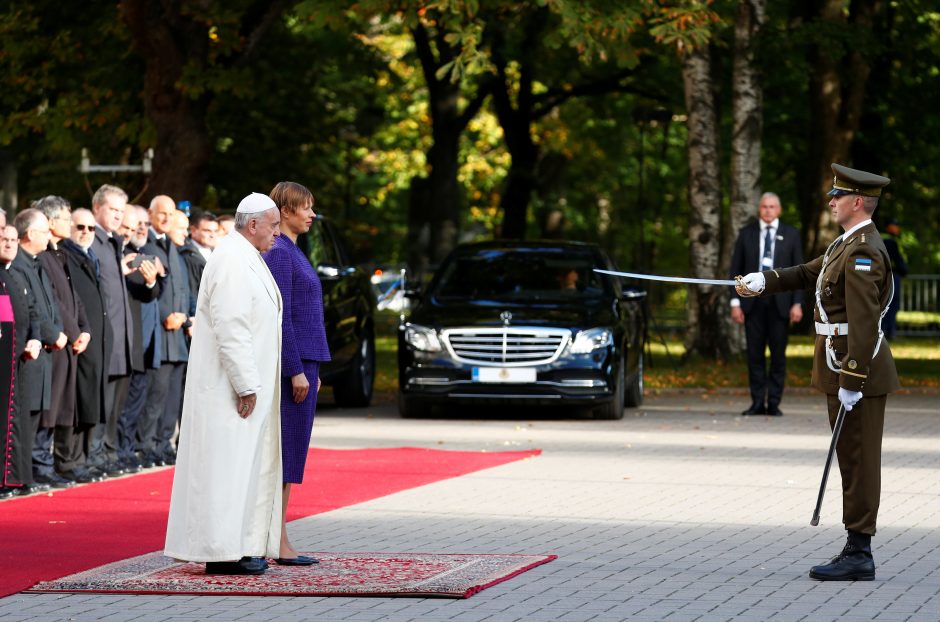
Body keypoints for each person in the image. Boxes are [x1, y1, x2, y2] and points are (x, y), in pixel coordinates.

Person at [736, 163, 899, 581]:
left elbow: (863, 322)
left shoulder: (863, 251)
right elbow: (808, 273)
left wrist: (852, 379)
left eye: (837, 196)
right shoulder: (846, 244)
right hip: (840, 363)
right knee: (850, 456)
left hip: (853, 369)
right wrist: (763, 281)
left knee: (860, 461)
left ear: (857, 202)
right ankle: (854, 544)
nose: (830, 201)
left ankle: (860, 551)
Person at [164, 192, 284, 576]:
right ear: (253, 225)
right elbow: (232, 328)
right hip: (229, 388)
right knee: (225, 470)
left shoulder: (245, 255)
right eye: (274, 226)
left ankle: (239, 545)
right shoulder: (232, 259)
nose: (277, 234)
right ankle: (221, 551)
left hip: (244, 385)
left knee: (240, 469)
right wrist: (246, 384)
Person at [262, 182, 331, 565]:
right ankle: (278, 541)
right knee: (285, 456)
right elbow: (282, 316)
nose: (311, 214)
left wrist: (311, 368)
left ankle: (278, 536)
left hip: (306, 362)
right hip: (295, 365)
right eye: (304, 207)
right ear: (284, 211)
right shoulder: (280, 253)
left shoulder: (293, 250)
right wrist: (295, 370)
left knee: (292, 457)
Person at [33, 196, 97, 484]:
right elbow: (54, 302)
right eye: (64, 219)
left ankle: (61, 460)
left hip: (72, 340)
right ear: (48, 221)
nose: (69, 224)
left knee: (64, 405)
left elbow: (75, 299)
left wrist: (84, 329)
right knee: (51, 405)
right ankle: (42, 463)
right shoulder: (43, 257)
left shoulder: (61, 254)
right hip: (58, 341)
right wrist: (73, 333)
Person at [10, 209, 74, 489]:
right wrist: (52, 333)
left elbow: (52, 303)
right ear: (32, 234)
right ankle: (29, 470)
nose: (50, 234)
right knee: (28, 414)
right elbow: (32, 309)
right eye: (45, 230)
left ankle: (35, 468)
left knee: (41, 412)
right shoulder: (20, 266)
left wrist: (59, 330)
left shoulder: (37, 263)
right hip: (33, 349)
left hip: (47, 347)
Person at [729, 192, 804, 416]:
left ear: (779, 210)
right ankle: (756, 402)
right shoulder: (746, 234)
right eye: (764, 207)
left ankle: (773, 402)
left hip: (781, 305)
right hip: (752, 305)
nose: (768, 211)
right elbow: (735, 270)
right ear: (759, 209)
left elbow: (800, 272)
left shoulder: (791, 235)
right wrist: (735, 303)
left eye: (772, 207)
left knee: (778, 355)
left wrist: (797, 303)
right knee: (754, 355)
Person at [89, 184, 137, 477]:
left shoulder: (114, 242)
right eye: (113, 209)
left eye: (122, 210)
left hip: (121, 336)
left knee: (116, 403)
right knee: (101, 400)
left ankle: (107, 452)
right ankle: (95, 454)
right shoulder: (91, 241)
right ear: (97, 208)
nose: (118, 216)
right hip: (104, 338)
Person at [139, 196, 190, 467]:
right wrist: (164, 317)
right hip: (159, 333)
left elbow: (183, 290)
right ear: (151, 214)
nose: (167, 218)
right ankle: (145, 445)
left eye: (171, 213)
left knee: (172, 396)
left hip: (178, 334)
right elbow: (149, 294)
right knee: (155, 394)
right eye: (163, 213)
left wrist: (185, 318)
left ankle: (162, 443)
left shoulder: (174, 247)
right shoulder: (145, 245)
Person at [60, 209, 111, 475]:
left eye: (91, 228)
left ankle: (86, 456)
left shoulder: (91, 255)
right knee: (78, 400)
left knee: (91, 397)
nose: (86, 233)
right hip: (77, 335)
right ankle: (71, 459)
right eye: (80, 226)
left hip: (96, 335)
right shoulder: (65, 254)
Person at [0, 225, 45, 497]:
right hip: (4, 357)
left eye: (13, 240)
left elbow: (32, 312)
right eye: (4, 239)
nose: (9, 244)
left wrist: (36, 338)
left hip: (20, 358)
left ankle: (16, 478)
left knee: (19, 420)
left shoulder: (17, 275)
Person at [881, 219, 907, 339]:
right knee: (891, 303)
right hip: (891, 275)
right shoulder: (889, 240)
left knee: (888, 303)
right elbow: (896, 260)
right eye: (894, 226)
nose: (897, 228)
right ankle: (888, 331)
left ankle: (887, 331)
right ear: (888, 227)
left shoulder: (887, 239)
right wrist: (904, 270)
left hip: (888, 275)